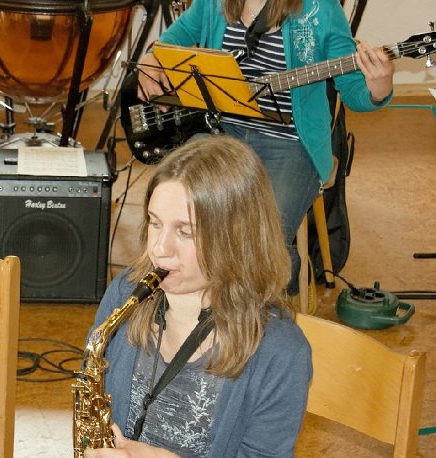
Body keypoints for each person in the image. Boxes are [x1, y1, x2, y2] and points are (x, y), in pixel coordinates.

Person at [23, 135, 313, 458]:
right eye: (155, 224)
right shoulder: (127, 295)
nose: (160, 249)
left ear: (236, 235)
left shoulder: (280, 351)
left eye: (185, 232)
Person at [136, 0, 394, 293]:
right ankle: (184, 295)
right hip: (221, 132)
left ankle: (255, 305)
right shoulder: (213, 3)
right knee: (173, 205)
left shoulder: (321, 9)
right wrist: (152, 57)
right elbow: (171, 42)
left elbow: (354, 93)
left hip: (292, 142)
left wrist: (380, 85)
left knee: (264, 237)